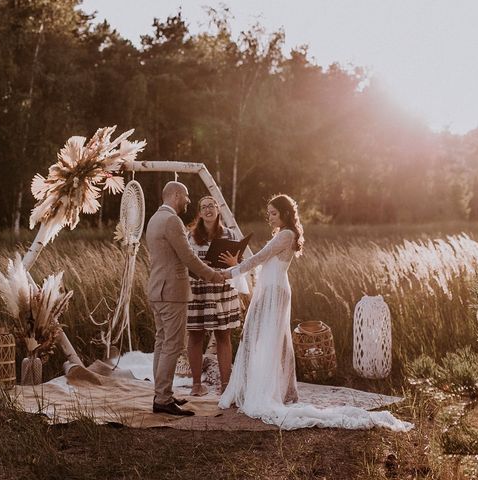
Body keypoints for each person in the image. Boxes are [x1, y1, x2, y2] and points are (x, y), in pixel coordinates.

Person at [218, 195, 412, 431]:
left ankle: (267, 390)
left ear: (285, 214)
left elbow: (259, 258)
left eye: (273, 213)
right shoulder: (282, 234)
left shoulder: (286, 235)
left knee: (266, 339)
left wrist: (231, 271)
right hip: (271, 289)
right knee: (262, 338)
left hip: (275, 292)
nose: (269, 217)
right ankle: (266, 386)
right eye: (268, 213)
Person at [145, 181, 226, 416]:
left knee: (162, 343)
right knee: (172, 345)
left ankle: (162, 394)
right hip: (171, 292)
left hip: (158, 290)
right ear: (176, 194)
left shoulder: (154, 219)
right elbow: (188, 257)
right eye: (187, 196)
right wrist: (213, 275)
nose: (188, 201)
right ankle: (162, 398)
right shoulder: (172, 220)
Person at [185, 195, 240, 396]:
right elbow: (183, 265)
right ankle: (196, 385)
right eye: (204, 207)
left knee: (223, 335)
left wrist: (234, 263)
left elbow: (239, 266)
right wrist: (199, 268)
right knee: (195, 335)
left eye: (212, 205)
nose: (208, 209)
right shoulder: (190, 236)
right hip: (197, 291)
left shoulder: (230, 235)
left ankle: (226, 386)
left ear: (218, 209)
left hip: (222, 290)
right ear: (199, 213)